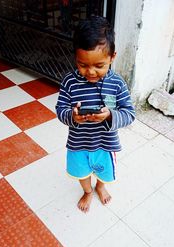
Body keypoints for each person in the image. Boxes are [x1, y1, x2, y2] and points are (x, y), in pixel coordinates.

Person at [56, 16, 135, 213]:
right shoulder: (69, 82)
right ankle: (88, 191)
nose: (91, 72)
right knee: (81, 172)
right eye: (83, 65)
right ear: (75, 57)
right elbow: (60, 109)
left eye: (99, 65)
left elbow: (129, 113)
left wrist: (110, 116)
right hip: (78, 142)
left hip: (105, 143)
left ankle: (100, 187)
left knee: (104, 174)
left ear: (112, 57)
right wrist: (72, 116)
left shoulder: (117, 83)